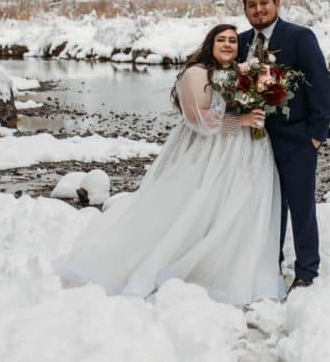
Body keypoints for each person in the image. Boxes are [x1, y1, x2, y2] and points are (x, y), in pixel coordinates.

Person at [59, 24, 285, 304]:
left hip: (243, 153)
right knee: (194, 209)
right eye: (220, 39)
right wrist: (241, 120)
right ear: (209, 43)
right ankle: (184, 268)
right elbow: (199, 120)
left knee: (236, 209)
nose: (228, 44)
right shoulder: (196, 73)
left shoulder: (240, 72)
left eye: (232, 40)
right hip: (206, 153)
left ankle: (236, 269)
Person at [238, 0, 330, 289]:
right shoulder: (239, 43)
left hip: (297, 140)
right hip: (255, 143)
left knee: (301, 207)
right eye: (252, 5)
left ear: (277, 4)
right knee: (266, 207)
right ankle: (269, 267)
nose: (259, 9)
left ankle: (306, 272)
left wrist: (315, 135)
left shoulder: (299, 37)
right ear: (245, 10)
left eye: (264, 2)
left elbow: (321, 84)